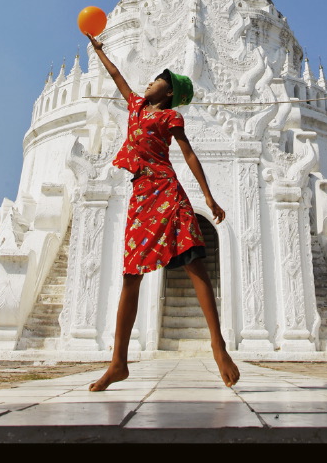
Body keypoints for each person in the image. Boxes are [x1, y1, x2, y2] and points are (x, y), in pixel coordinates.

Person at [86, 33, 240, 390]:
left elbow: (188, 155)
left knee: (193, 261)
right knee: (130, 277)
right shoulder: (137, 107)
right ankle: (118, 363)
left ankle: (218, 346)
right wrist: (100, 52)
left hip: (167, 190)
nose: (150, 82)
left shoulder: (171, 118)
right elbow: (117, 78)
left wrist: (210, 198)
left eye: (158, 80)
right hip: (141, 196)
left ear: (169, 93)